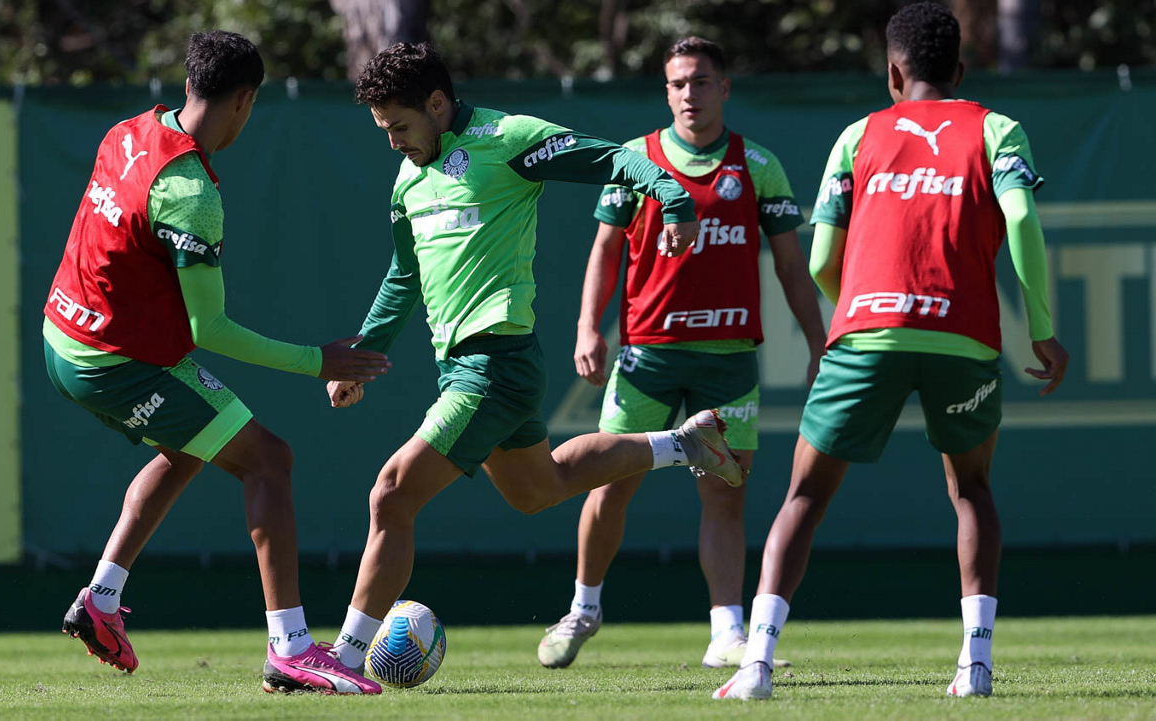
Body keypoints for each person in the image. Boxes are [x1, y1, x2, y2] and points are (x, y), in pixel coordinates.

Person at [324, 41, 746, 673]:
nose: (393, 142)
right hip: (470, 368)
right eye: (384, 130)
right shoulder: (409, 176)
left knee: (391, 494)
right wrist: (364, 354)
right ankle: (683, 445)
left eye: (400, 126)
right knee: (538, 489)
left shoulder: (509, 138)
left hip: (493, 365)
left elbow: (613, 158)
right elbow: (403, 276)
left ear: (437, 105)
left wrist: (676, 201)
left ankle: (344, 659)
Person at [713, 2, 1069, 701]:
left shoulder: (859, 136)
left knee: (805, 495)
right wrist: (1041, 328)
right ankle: (975, 665)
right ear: (960, 70)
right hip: (962, 337)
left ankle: (756, 665)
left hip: (867, 334)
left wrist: (861, 306)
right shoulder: (997, 128)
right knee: (971, 491)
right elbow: (1022, 216)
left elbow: (822, 259)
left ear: (893, 73)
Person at [44, 30, 389, 695]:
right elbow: (211, 328)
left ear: (186, 85)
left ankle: (101, 598)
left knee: (189, 448)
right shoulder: (192, 192)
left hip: (62, 336)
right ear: (245, 100)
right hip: (113, 360)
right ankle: (291, 648)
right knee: (270, 460)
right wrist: (319, 361)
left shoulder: (126, 132)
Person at [536, 36, 826, 671]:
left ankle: (727, 633)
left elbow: (790, 265)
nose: (689, 94)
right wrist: (588, 328)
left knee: (725, 494)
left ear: (724, 88)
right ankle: (584, 607)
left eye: (700, 81)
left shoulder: (758, 165)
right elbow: (605, 250)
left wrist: (817, 341)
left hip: (729, 359)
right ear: (665, 92)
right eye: (677, 84)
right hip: (648, 355)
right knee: (610, 485)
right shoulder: (636, 159)